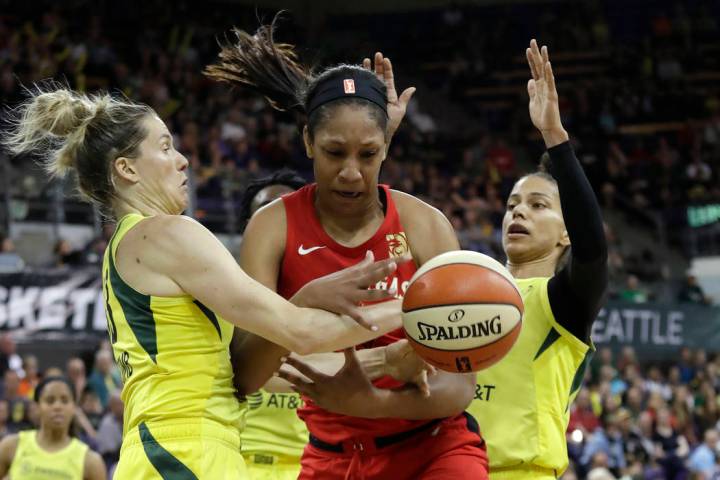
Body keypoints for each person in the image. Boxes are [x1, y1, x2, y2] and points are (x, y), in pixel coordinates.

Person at [2, 84, 406, 478]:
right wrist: (415, 305)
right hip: (184, 452)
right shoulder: (167, 233)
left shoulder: (133, 244)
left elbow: (269, 366)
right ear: (126, 169)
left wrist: (387, 358)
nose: (183, 161)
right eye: (164, 147)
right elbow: (301, 332)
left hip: (176, 448)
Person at [206, 20, 488, 479]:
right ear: (307, 143)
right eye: (335, 153)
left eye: (368, 154)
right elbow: (245, 375)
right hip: (332, 458)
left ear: (385, 150)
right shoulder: (272, 226)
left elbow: (458, 386)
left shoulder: (425, 224)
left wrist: (370, 402)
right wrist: (300, 306)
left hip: (435, 449)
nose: (352, 173)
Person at [463, 40, 608, 479]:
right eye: (512, 204)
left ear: (566, 231)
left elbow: (593, 248)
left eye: (539, 205)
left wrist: (555, 139)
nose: (519, 211)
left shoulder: (562, 301)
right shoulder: (465, 289)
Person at [237, 170, 310, 480]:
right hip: (241, 463)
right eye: (264, 216)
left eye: (284, 214)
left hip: (314, 463)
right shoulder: (222, 298)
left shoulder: (339, 298)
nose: (275, 226)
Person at [0, 376, 106, 479]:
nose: (57, 407)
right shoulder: (12, 446)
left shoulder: (90, 460)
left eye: (65, 401)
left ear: (74, 407)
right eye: (50, 401)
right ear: (37, 407)